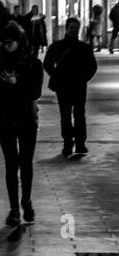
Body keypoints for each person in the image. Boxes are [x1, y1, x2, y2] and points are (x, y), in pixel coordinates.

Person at [0, 20, 44, 227]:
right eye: (4, 43)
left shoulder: (33, 64)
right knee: (11, 164)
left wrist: (16, 84)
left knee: (26, 163)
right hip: (5, 118)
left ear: (19, 42)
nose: (7, 46)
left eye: (11, 42)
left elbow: (35, 92)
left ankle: (27, 201)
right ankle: (14, 208)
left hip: (26, 118)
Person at [43, 17, 97, 158]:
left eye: (75, 28)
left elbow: (92, 66)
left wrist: (83, 78)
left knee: (79, 115)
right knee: (66, 116)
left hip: (78, 86)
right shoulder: (57, 47)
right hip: (64, 87)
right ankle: (67, 143)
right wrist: (57, 76)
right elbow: (47, 63)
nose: (73, 30)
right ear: (67, 28)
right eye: (71, 27)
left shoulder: (84, 48)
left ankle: (79, 143)